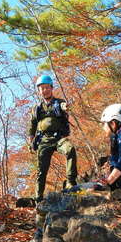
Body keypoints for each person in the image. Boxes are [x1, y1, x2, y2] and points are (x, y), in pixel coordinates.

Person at [27, 74, 78, 203]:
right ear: (39, 91)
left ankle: (71, 182)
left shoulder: (59, 102)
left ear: (51, 87)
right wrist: (30, 141)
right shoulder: (36, 109)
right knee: (41, 170)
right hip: (44, 140)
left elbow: (63, 106)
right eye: (42, 88)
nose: (45, 90)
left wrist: (66, 107)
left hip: (58, 138)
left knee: (70, 149)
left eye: (47, 87)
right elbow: (32, 126)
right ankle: (38, 196)